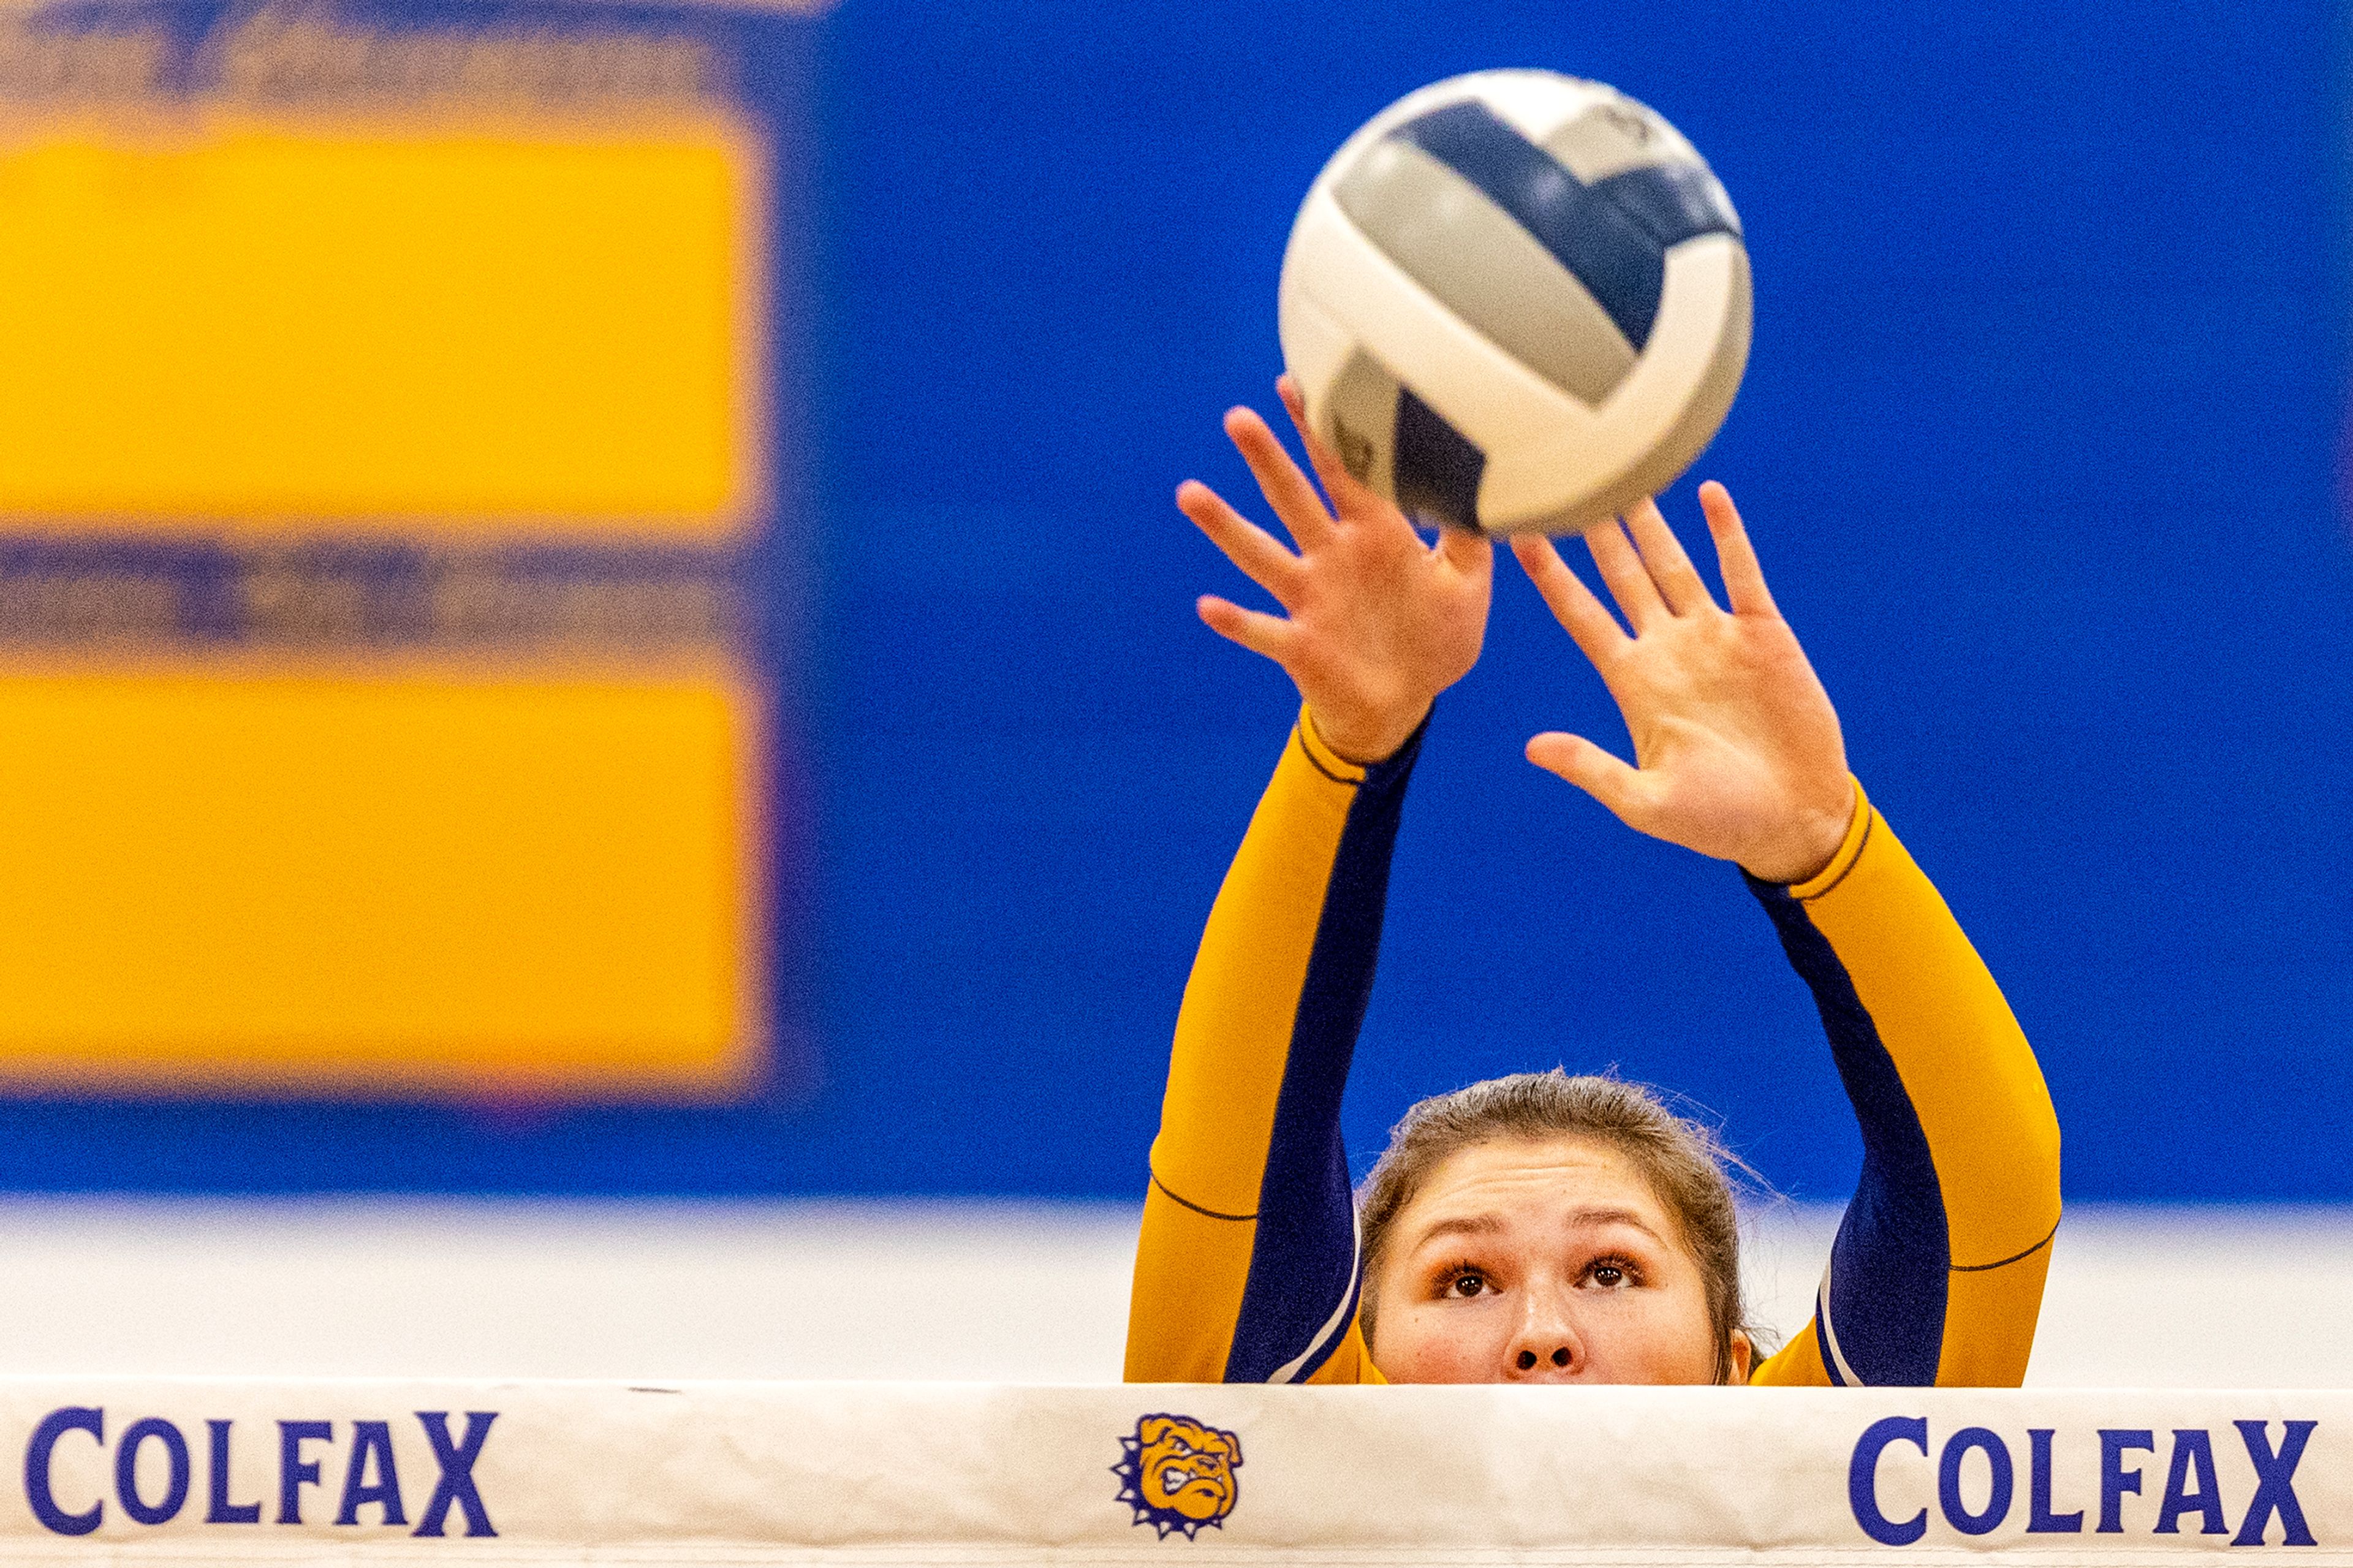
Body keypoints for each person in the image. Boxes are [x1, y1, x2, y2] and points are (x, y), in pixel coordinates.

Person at [1124, 379, 2061, 1387]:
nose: (1542, 1333)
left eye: (1610, 1269)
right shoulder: (1269, 1435)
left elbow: (1979, 1206)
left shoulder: (1813, 1470)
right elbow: (1237, 1165)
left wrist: (1826, 850)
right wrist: (1350, 747)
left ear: (1733, 1369)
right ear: (1359, 1354)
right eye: (1464, 1280)